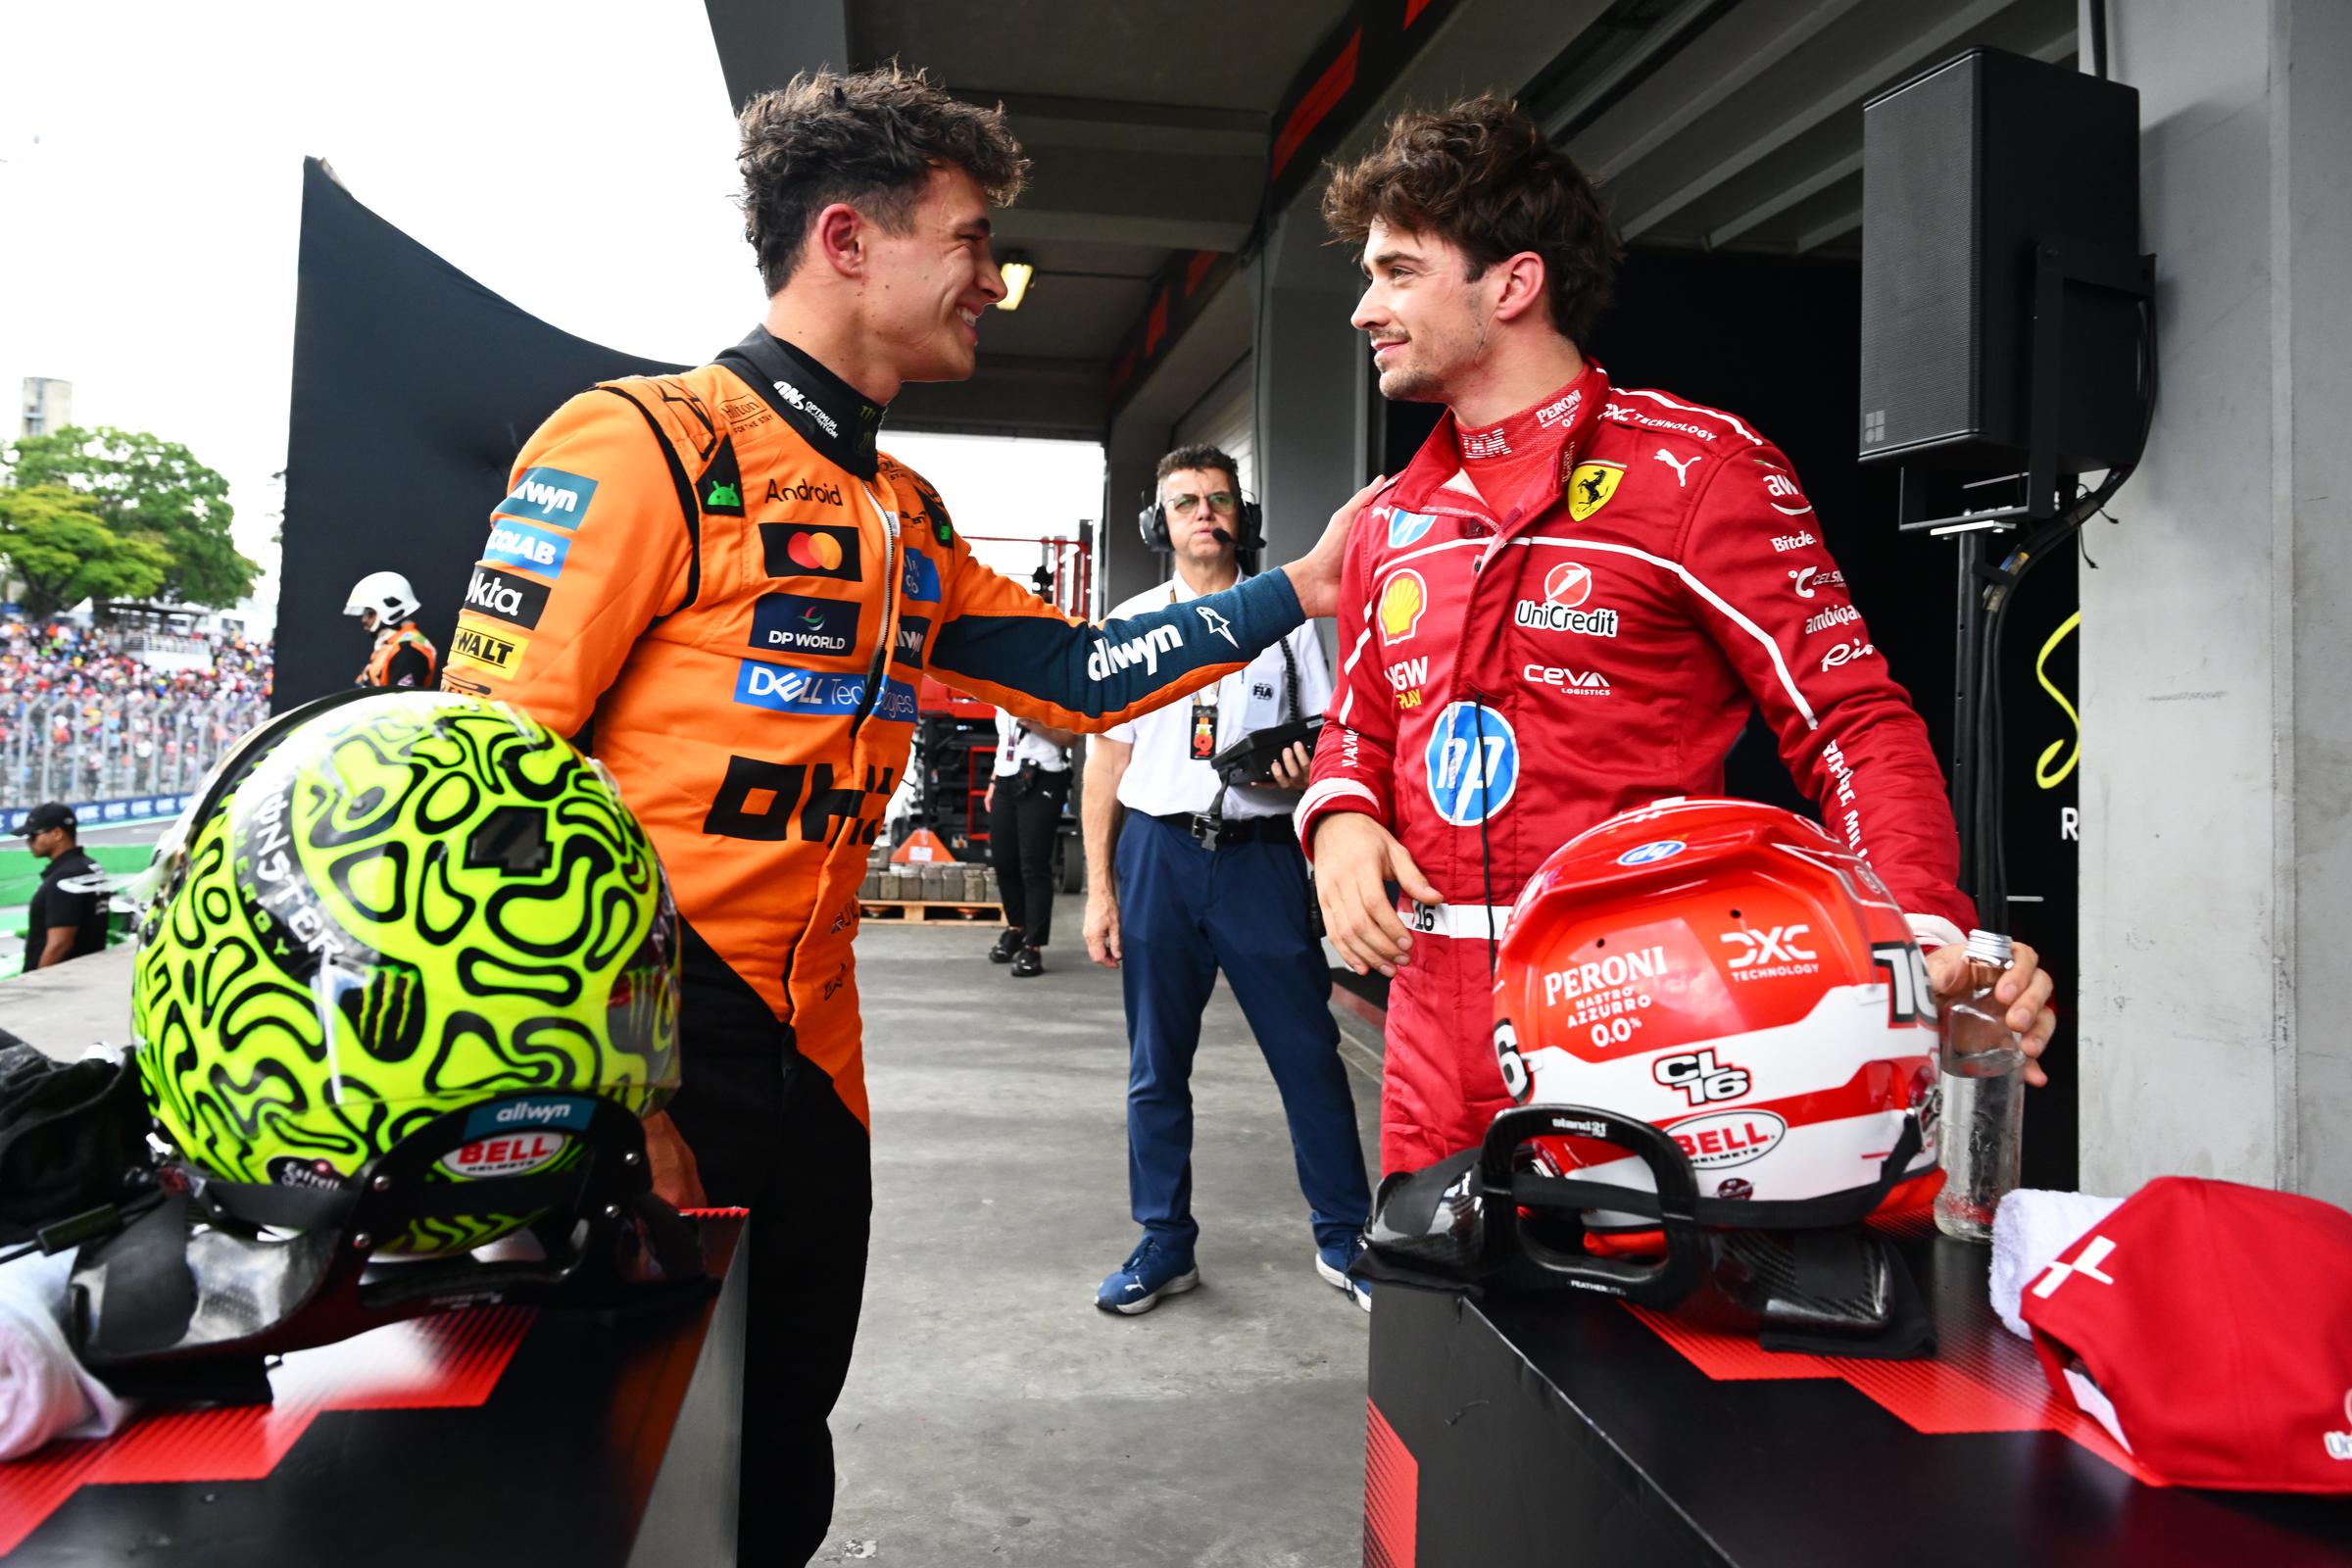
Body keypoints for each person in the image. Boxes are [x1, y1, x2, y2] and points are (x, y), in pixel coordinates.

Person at [439, 67, 1367, 1566]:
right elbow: (483, 790)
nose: (994, 281)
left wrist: (1295, 592)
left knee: (776, 1456)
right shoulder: (644, 442)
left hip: (821, 1055)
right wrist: (613, 1093)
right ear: (848, 240)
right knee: (606, 1472)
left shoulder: (906, 515)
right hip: (649, 1035)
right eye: (973, 240)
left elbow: (1075, 675)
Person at [1300, 95, 2060, 1178]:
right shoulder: (1389, 519)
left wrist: (1919, 938)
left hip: (1644, 1029)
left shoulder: (1697, 471)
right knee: (1431, 1338)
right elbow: (1360, 722)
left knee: (1613, 1340)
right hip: (1431, 1038)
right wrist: (1338, 817)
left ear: (1513, 284)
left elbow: (1851, 722)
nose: (1363, 308)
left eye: (1398, 271)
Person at [1081, 444, 1374, 1315]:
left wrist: (1297, 773)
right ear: (1159, 524)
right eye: (1184, 503)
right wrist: (1101, 887)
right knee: (1154, 1068)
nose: (1203, 514)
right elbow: (1105, 761)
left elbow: (1329, 740)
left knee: (1308, 1058)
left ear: (1240, 516)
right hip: (1159, 859)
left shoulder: (1285, 624)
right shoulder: (1131, 624)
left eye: (1217, 500)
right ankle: (1164, 1244)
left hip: (1261, 860)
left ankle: (1344, 1235)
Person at [986, 705, 1074, 977]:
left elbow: (1071, 738)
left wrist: (1034, 723)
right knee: (1004, 860)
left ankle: (1033, 945)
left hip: (1044, 777)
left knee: (1033, 863)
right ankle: (1016, 928)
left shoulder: (1051, 688)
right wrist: (993, 782)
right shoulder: (1000, 692)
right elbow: (1005, 742)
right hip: (1006, 778)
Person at [17, 803, 107, 973]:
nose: (28, 842)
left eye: (33, 835)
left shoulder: (66, 877)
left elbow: (60, 944)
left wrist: (38, 982)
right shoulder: (90, 866)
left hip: (62, 982)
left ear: (57, 833)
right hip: (85, 973)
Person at [343, 570, 437, 689]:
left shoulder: (408, 652)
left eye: (370, 613)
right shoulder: (389, 645)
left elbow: (400, 703)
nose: (364, 620)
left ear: (389, 608)